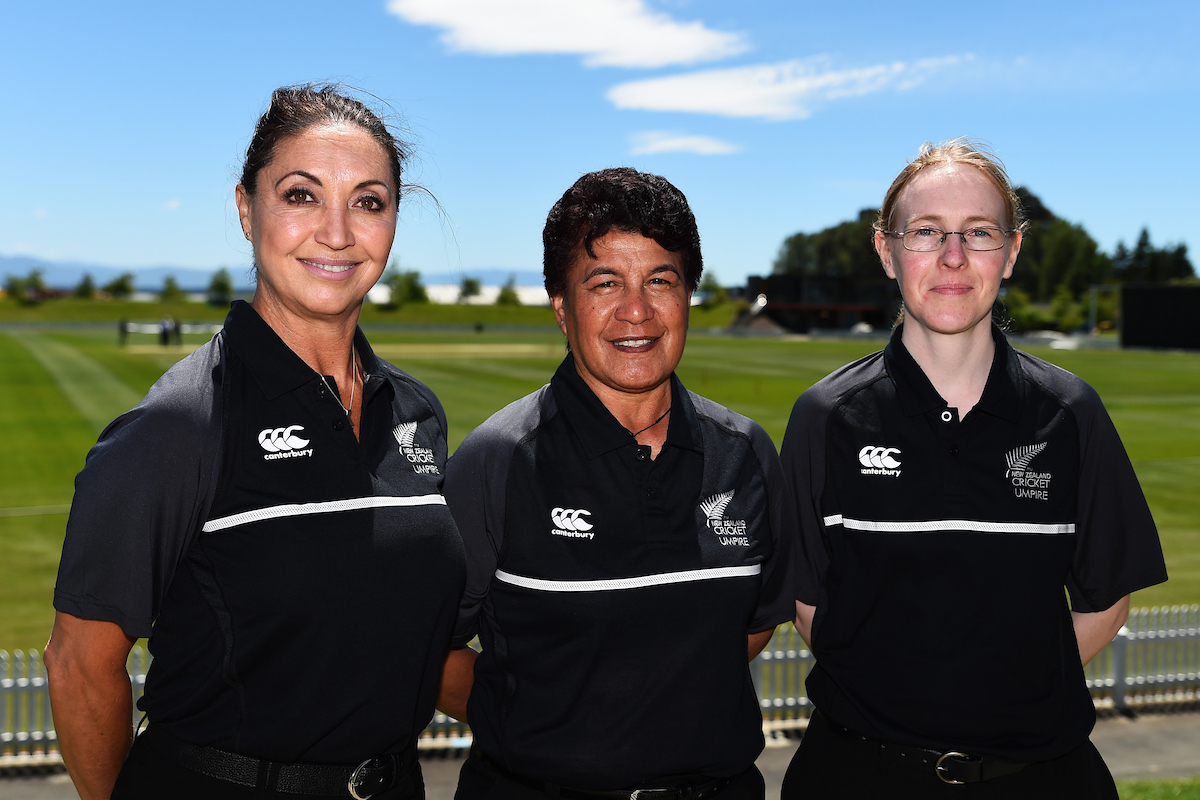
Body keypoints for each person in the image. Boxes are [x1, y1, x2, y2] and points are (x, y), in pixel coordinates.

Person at [45, 85, 465, 800]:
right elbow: (78, 665)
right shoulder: (180, 425)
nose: (337, 232)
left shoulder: (416, 413)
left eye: (368, 201)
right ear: (246, 209)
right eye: (301, 195)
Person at [779, 139, 1168, 799]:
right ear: (886, 251)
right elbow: (806, 602)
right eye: (926, 231)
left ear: (1011, 252)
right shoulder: (826, 417)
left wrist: (1006, 690)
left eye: (979, 232)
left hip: (1042, 778)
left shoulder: (1071, 413)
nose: (953, 256)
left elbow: (1107, 599)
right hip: (855, 775)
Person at [439, 168, 794, 800]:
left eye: (661, 280)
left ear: (688, 297)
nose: (637, 311)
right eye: (605, 283)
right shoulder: (496, 459)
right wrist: (544, 724)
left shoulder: (745, 452)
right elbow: (428, 650)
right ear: (561, 306)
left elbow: (751, 626)